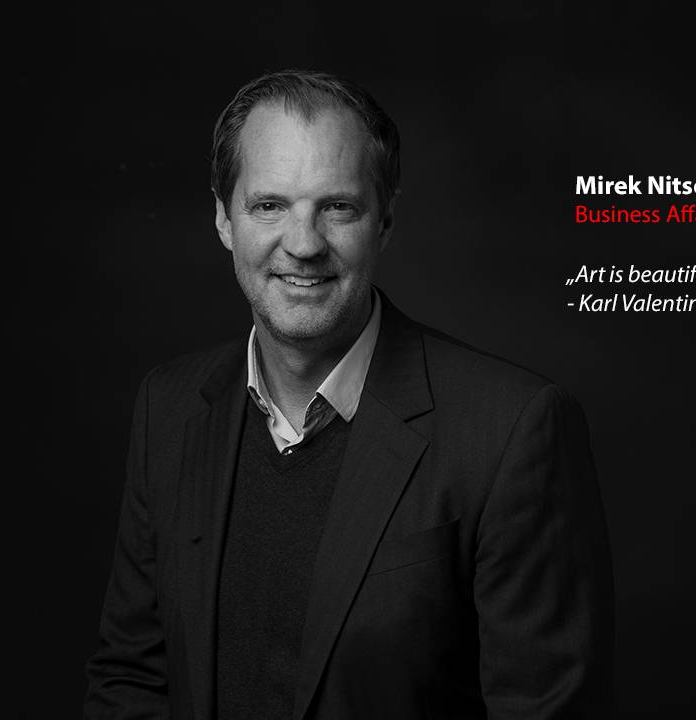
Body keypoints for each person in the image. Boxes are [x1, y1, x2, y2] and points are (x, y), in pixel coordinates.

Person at [83, 69, 614, 719]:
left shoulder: (511, 429)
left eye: (337, 207)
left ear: (384, 221)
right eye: (269, 205)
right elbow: (133, 679)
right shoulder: (169, 408)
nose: (303, 244)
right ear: (224, 218)